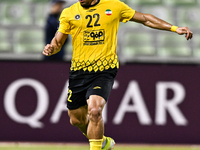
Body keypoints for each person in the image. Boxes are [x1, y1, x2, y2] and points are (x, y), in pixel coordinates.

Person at [43, 0, 193, 149]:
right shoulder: (69, 12)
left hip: (104, 69)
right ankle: (103, 142)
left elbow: (145, 19)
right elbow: (58, 42)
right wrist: (52, 48)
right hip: (79, 71)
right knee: (76, 119)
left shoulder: (114, 6)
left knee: (95, 110)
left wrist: (174, 28)